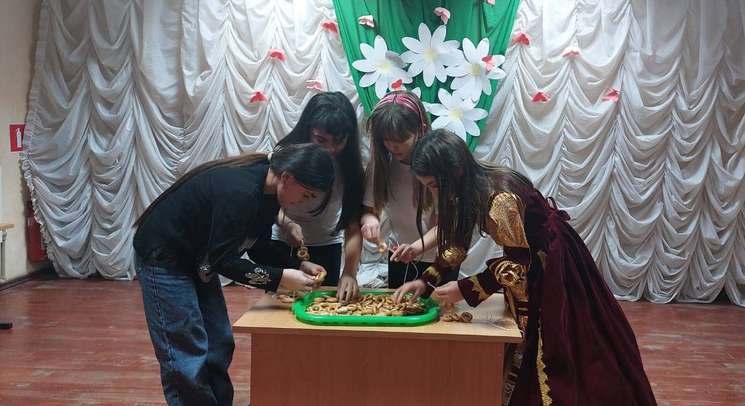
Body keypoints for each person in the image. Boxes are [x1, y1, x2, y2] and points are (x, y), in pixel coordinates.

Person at [394, 129, 657, 405]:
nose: (433, 193)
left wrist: (466, 288)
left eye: (434, 185)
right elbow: (458, 243)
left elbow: (518, 263)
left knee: (557, 343)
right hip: (531, 258)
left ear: (456, 170)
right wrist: (426, 280)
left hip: (547, 262)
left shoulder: (499, 198)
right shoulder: (468, 188)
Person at [133, 143, 334, 405]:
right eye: (306, 195)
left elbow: (256, 246)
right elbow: (224, 261)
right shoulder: (241, 192)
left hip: (198, 258)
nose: (303, 203)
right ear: (287, 177)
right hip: (165, 258)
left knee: (219, 343)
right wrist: (280, 278)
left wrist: (296, 266)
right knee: (186, 354)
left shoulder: (267, 191)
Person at [247, 92, 363, 301]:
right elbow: (270, 202)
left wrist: (349, 273)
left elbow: (353, 222)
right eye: (321, 139)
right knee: (281, 305)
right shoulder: (287, 154)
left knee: (323, 306)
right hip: (283, 244)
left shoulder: (350, 167)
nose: (330, 149)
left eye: (339, 141)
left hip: (327, 244)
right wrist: (287, 224)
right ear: (308, 129)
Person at [360, 90, 458, 288]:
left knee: (437, 306)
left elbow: (447, 226)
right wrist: (370, 221)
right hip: (399, 255)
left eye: (400, 139)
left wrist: (415, 248)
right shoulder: (381, 166)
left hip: (440, 258)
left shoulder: (438, 166)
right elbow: (368, 210)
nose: (393, 146)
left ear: (420, 130)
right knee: (397, 306)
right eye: (386, 139)